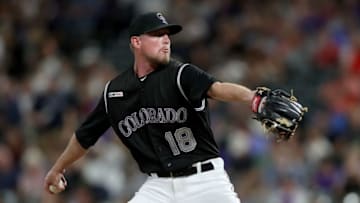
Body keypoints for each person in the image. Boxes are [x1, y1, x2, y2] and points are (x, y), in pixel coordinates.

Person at [44, 12, 255, 203]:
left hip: (204, 181)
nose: (165, 40)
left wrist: (253, 98)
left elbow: (217, 89)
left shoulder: (181, 74)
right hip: (159, 186)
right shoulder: (115, 92)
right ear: (136, 42)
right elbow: (84, 136)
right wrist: (57, 168)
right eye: (157, 35)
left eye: (167, 35)